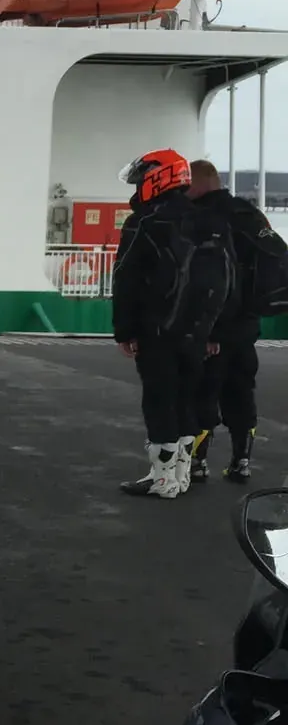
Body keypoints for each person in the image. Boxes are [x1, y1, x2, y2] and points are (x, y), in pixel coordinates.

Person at [112, 147, 235, 499]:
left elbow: (127, 279)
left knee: (159, 399)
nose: (137, 190)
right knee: (185, 398)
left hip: (158, 328)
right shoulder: (211, 221)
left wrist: (125, 329)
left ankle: (163, 479)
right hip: (198, 330)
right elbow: (229, 280)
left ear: (157, 179)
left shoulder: (146, 221)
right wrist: (215, 330)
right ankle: (178, 474)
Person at [188, 159, 276, 483]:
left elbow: (208, 279)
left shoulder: (203, 218)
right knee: (241, 391)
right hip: (246, 327)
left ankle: (197, 463)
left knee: (203, 391)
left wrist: (208, 330)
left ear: (199, 183)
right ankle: (241, 462)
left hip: (214, 326)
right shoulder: (249, 214)